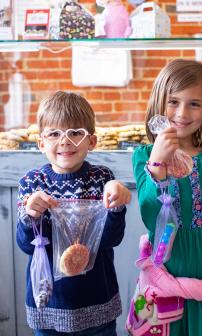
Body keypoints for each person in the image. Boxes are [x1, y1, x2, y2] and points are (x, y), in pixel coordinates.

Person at [132, 59, 202, 336]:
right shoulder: (145, 157)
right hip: (164, 292)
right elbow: (148, 213)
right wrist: (157, 165)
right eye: (173, 102)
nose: (182, 113)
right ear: (159, 102)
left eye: (194, 103)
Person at [16, 91, 131, 336]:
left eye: (75, 132)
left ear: (92, 141)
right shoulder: (31, 184)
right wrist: (31, 215)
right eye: (55, 133)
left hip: (97, 301)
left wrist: (116, 205)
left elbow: (112, 239)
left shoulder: (102, 179)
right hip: (49, 302)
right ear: (41, 143)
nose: (65, 141)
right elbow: (27, 246)